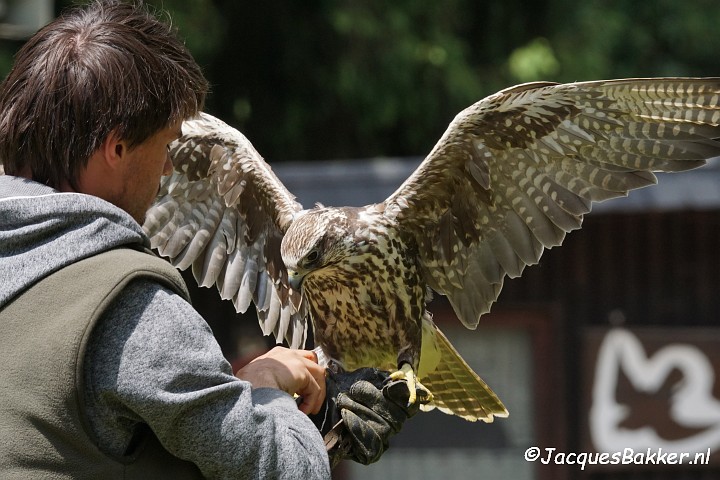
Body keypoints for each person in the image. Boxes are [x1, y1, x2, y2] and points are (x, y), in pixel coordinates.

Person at [0, 1, 420, 478]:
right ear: (117, 148)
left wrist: (239, 396)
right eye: (164, 145)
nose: (168, 168)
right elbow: (283, 471)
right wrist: (270, 395)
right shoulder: (125, 307)